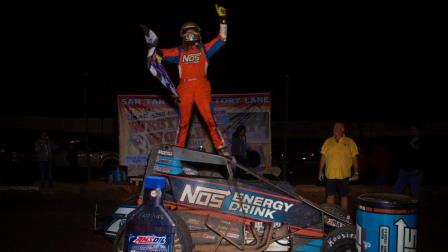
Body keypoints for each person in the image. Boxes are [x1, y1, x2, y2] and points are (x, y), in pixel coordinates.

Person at [158, 4, 228, 155]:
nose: (190, 34)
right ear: (183, 35)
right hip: (184, 87)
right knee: (184, 123)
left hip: (201, 85)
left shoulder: (204, 49)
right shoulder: (179, 51)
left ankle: (220, 147)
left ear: (198, 34)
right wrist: (156, 55)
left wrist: (222, 19)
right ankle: (178, 149)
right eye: (187, 32)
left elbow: (222, 39)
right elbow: (162, 53)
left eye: (193, 31)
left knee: (209, 118)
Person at [318, 122, 359, 211]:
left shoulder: (350, 142)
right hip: (330, 174)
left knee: (344, 196)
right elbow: (323, 157)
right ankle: (330, 215)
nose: (335, 129)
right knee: (330, 195)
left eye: (337, 127)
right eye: (334, 128)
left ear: (342, 129)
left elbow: (354, 158)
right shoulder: (328, 141)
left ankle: (343, 217)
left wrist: (356, 172)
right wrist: (320, 171)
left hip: (344, 174)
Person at [393, 125, 424, 199]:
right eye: (412, 130)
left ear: (419, 131)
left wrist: (419, 169)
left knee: (414, 193)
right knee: (396, 191)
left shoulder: (422, 142)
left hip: (416, 172)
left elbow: (422, 156)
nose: (413, 131)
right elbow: (402, 153)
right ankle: (393, 208)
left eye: (415, 129)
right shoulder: (406, 141)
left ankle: (414, 209)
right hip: (404, 171)